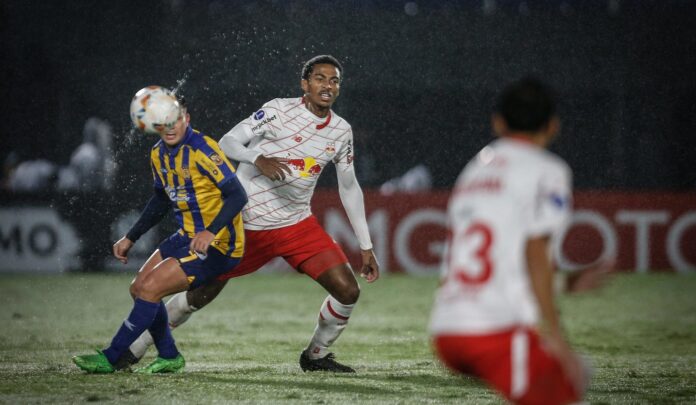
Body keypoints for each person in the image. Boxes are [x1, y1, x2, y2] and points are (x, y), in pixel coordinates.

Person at [124, 55, 379, 373]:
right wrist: (257, 157)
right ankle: (134, 348)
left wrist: (366, 245)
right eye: (320, 78)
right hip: (245, 225)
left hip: (297, 225)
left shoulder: (341, 131)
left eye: (334, 80)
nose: (327, 85)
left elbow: (349, 187)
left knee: (348, 290)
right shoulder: (277, 111)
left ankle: (315, 356)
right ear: (305, 84)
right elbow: (227, 142)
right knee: (198, 294)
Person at [429, 78, 592, 404]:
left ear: (498, 122)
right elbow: (535, 250)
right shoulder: (546, 169)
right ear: (553, 126)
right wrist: (557, 336)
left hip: (446, 329)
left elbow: (494, 261)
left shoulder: (475, 168)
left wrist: (562, 284)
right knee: (571, 381)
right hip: (494, 328)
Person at [72, 94, 247, 373]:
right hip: (185, 235)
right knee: (138, 289)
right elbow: (161, 200)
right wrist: (131, 236)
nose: (171, 126)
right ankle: (168, 355)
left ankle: (112, 356)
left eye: (177, 119)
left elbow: (238, 195)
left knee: (151, 289)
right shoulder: (158, 153)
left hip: (219, 245)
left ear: (186, 119)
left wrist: (211, 232)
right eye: (164, 121)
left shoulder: (203, 149)